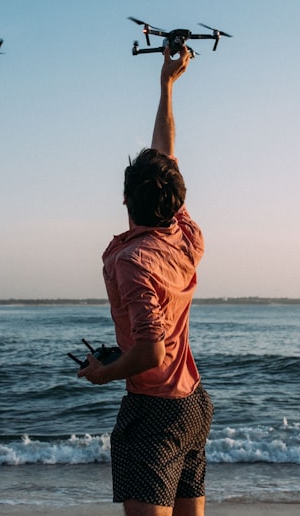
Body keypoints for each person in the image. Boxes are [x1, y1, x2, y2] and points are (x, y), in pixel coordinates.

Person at [79, 42, 213, 516]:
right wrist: (166, 85)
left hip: (154, 412)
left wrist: (102, 373)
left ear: (124, 199)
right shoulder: (185, 233)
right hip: (194, 406)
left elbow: (152, 352)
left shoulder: (132, 261)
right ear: (175, 201)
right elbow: (166, 155)